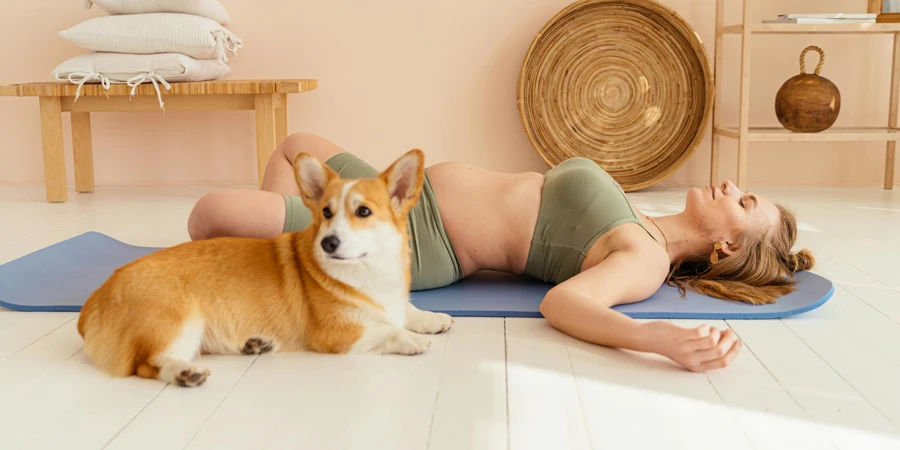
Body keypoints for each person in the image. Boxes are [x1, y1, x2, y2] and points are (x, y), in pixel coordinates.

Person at [187, 133, 815, 372]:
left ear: (728, 243)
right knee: (294, 144)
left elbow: (567, 302)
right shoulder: (645, 213)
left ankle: (293, 255)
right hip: (405, 192)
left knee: (211, 213)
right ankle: (287, 267)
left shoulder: (646, 257)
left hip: (418, 236)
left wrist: (656, 339)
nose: (731, 187)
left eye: (744, 201)